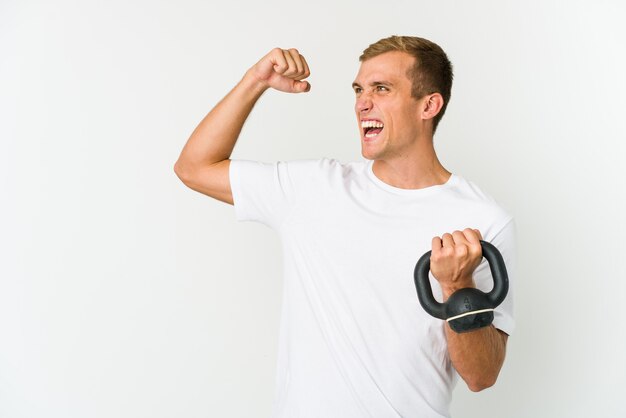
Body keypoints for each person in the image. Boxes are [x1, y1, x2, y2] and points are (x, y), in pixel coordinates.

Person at [174, 36, 515, 418]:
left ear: (429, 105)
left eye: (381, 89)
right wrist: (255, 81)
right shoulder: (313, 188)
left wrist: (457, 286)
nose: (362, 103)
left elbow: (481, 376)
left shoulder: (483, 219)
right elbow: (194, 168)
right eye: (358, 89)